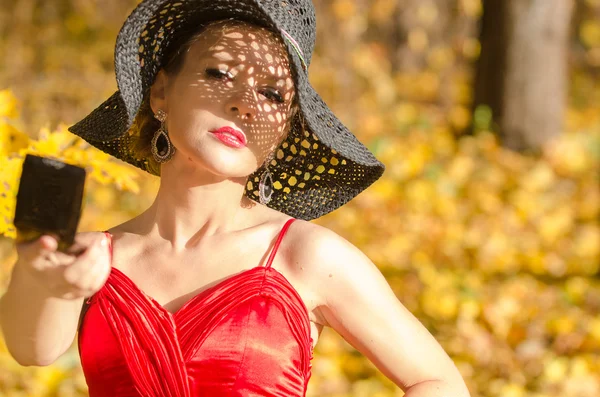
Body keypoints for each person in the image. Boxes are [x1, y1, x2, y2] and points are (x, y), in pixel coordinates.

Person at [0, 1, 470, 396]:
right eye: (219, 72)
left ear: (283, 129)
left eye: (271, 93)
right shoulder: (96, 260)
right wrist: (45, 280)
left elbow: (438, 381)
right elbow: (32, 352)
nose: (245, 102)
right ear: (161, 90)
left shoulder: (304, 255)